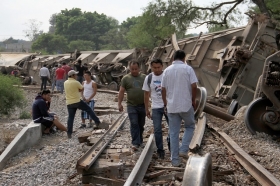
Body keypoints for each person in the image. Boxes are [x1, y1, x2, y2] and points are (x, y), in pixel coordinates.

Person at [161, 50, 198, 167]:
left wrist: (165, 103)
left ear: (173, 58)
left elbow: (163, 89)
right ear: (184, 58)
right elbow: (194, 86)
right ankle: (183, 149)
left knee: (173, 133)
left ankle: (175, 161)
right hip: (186, 105)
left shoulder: (166, 71)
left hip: (172, 107)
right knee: (190, 126)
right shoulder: (188, 69)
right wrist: (193, 100)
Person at [142, 58, 169, 159]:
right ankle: (160, 150)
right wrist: (146, 109)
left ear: (162, 66)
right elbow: (146, 94)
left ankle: (171, 146)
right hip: (156, 107)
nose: (157, 70)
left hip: (168, 106)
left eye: (158, 67)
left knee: (172, 128)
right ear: (151, 67)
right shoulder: (149, 78)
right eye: (154, 68)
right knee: (157, 129)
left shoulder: (167, 76)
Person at [64, 70, 102, 139]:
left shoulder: (65, 82)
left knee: (70, 118)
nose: (76, 76)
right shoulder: (76, 82)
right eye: (75, 75)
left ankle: (69, 133)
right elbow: (81, 89)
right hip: (77, 101)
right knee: (89, 109)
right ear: (72, 76)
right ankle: (97, 122)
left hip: (69, 102)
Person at [118, 60, 146, 150]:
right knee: (134, 123)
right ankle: (135, 143)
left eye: (136, 69)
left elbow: (149, 90)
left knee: (141, 124)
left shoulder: (144, 77)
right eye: (132, 69)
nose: (134, 71)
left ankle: (140, 139)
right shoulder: (125, 78)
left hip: (143, 105)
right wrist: (119, 103)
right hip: (131, 105)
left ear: (139, 68)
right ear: (129, 68)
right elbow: (121, 91)